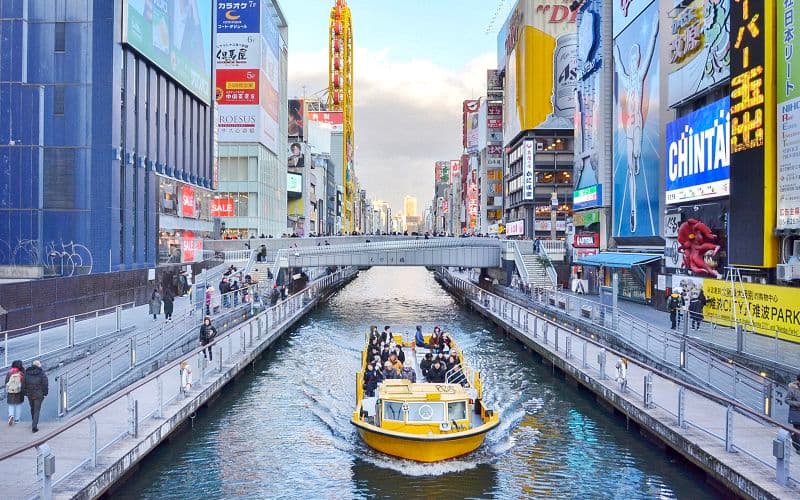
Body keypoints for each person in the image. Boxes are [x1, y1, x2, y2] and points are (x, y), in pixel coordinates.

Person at [614, 15, 659, 233]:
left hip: (638, 125)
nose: (634, 61)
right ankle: (632, 210)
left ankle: (638, 206)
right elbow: (618, 65)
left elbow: (651, 51)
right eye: (632, 58)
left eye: (636, 58)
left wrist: (654, 30)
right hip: (628, 129)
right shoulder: (626, 79)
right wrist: (615, 51)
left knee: (638, 162)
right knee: (631, 169)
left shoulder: (639, 77)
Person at [23, 360, 47, 433]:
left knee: (32, 408)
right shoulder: (41, 373)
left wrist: (25, 392)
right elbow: (45, 383)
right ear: (39, 365)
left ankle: (33, 421)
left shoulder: (26, 373)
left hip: (30, 394)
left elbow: (23, 384)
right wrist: (45, 392)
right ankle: (34, 426)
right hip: (39, 394)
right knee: (37, 410)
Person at [5, 360, 25, 426]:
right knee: (18, 405)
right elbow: (24, 383)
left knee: (11, 405)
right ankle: (17, 420)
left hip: (11, 391)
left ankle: (11, 415)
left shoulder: (9, 372)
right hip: (19, 392)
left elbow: (6, 382)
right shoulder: (22, 373)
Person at [788, 374, 800, 454]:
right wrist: (797, 404)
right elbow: (787, 400)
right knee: (797, 430)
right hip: (796, 413)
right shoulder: (792, 389)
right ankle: (798, 447)